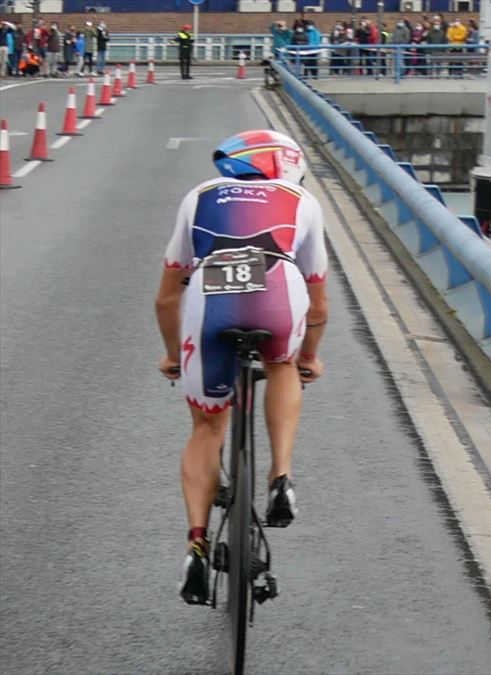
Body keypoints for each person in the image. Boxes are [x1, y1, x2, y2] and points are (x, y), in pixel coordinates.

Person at [157, 130, 329, 605]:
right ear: (287, 166)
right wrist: (309, 355)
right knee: (282, 366)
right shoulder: (302, 200)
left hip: (209, 301)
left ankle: (196, 542)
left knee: (207, 427)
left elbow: (167, 296)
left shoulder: (198, 196)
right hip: (278, 293)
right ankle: (280, 477)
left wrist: (174, 354)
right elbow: (318, 302)